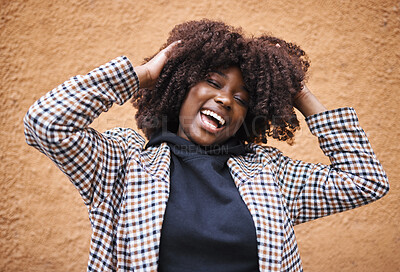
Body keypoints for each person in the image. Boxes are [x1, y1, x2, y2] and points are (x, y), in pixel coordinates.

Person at [24, 19, 389, 272]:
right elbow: (46, 123)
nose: (226, 100)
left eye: (242, 99)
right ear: (181, 86)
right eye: (212, 82)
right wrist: (147, 74)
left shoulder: (270, 173)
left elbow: (365, 180)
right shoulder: (123, 162)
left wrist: (301, 93)